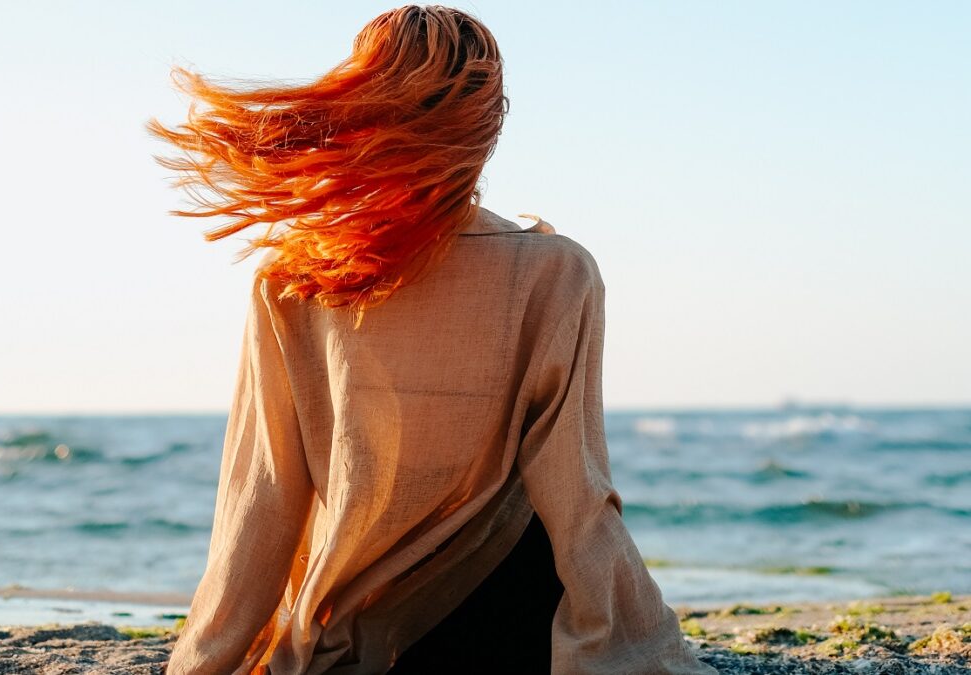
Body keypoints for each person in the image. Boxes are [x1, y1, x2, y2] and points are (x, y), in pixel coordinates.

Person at [146, 5, 717, 674]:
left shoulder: (294, 279)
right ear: (488, 120)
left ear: (364, 107)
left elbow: (264, 494)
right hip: (509, 630)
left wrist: (203, 660)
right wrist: (628, 640)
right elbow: (577, 494)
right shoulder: (556, 270)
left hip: (351, 634)